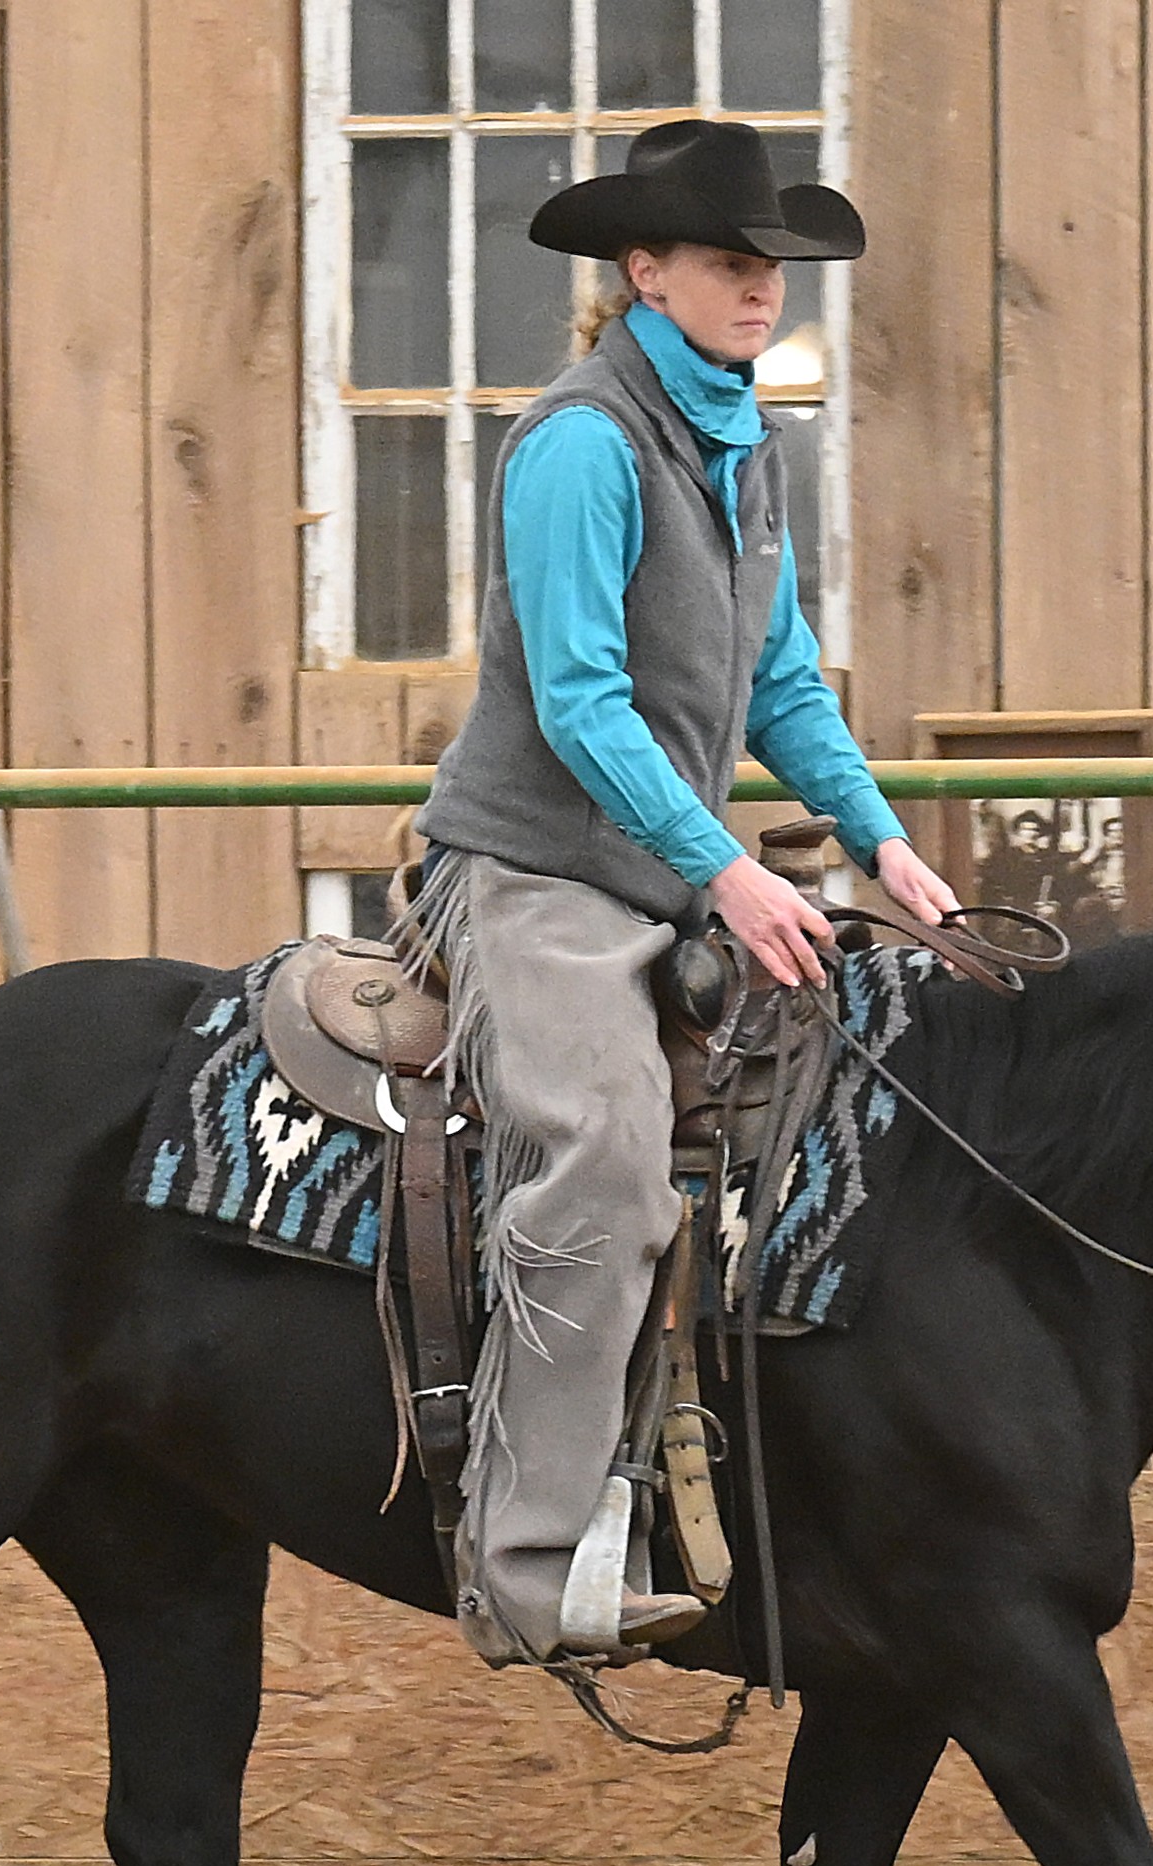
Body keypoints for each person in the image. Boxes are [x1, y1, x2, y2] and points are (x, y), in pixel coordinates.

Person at [410, 117, 960, 1667]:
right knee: (600, 1155)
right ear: (641, 270)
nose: (760, 291)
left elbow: (779, 680)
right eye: (730, 263)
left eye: (770, 266)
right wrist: (725, 870)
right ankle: (525, 1568)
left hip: (660, 874)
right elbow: (582, 706)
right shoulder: (580, 443)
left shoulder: (739, 443)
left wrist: (879, 839)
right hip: (535, 873)